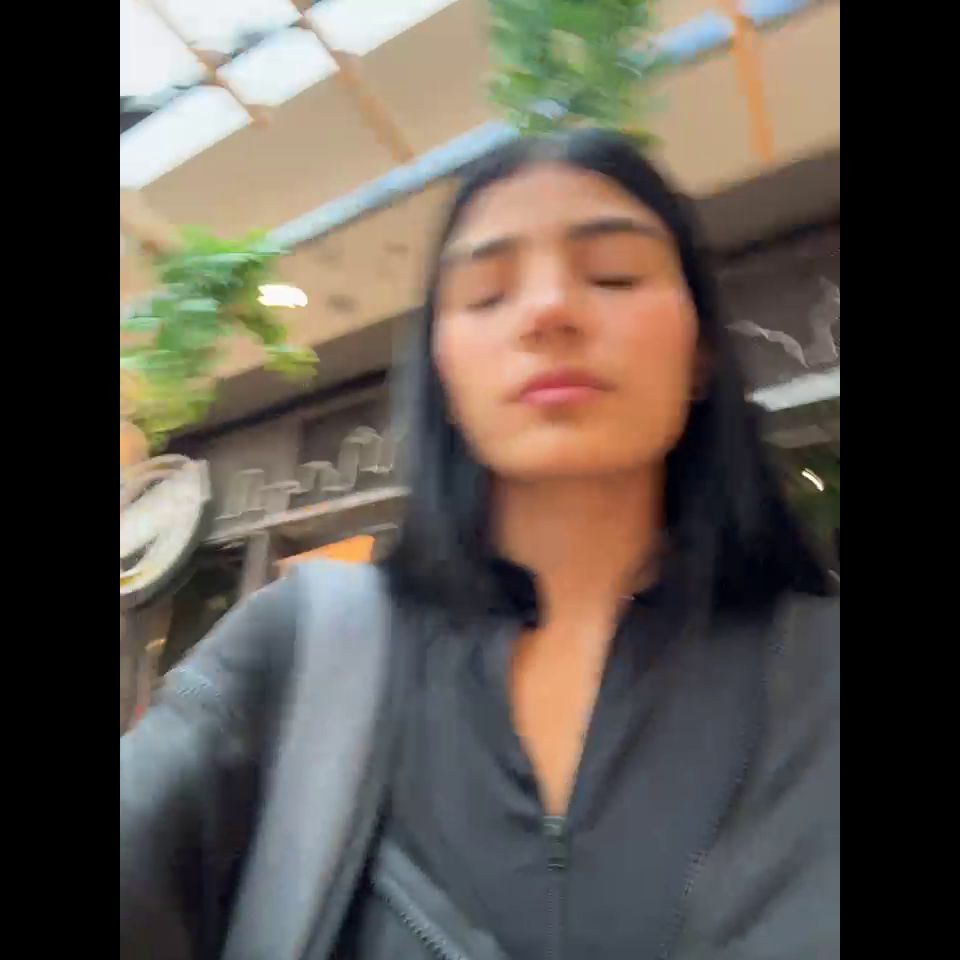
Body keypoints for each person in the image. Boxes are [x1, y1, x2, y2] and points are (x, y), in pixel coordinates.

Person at [120, 130, 839, 960]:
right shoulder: (299, 650)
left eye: (613, 275)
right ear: (444, 374)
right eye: (488, 292)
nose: (548, 309)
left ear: (702, 349)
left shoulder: (820, 674)